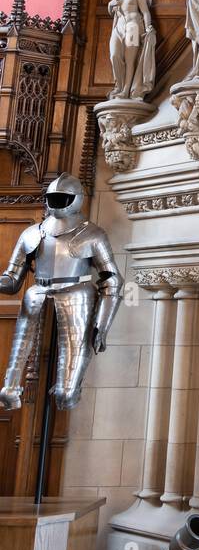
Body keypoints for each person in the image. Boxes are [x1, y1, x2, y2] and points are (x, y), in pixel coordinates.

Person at [0, 173, 122, 411]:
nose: (56, 202)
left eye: (62, 198)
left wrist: (101, 325)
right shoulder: (32, 233)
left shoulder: (92, 234)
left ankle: (67, 389)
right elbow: (12, 280)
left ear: (76, 199)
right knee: (7, 391)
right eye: (53, 197)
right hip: (36, 294)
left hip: (76, 295)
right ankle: (12, 389)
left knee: (66, 395)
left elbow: (112, 280)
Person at [107, 0, 156, 100]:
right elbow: (112, 12)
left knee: (130, 60)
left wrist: (148, 27)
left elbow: (145, 12)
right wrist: (110, 4)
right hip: (118, 27)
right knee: (114, 56)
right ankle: (119, 86)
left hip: (133, 27)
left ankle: (126, 90)